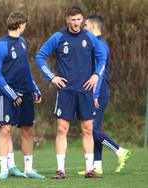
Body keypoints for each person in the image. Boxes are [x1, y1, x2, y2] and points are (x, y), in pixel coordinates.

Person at [35, 5, 107, 179]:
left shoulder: (90, 37)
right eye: (72, 19)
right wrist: (52, 77)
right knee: (62, 129)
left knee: (88, 129)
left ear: (82, 20)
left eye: (78, 19)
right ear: (67, 20)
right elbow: (40, 56)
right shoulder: (58, 37)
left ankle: (89, 169)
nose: (76, 23)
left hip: (85, 91)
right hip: (66, 91)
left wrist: (97, 75)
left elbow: (102, 57)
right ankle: (60, 170)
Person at [0, 11, 44, 179]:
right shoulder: (1, 45)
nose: (25, 27)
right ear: (21, 25)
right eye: (25, 25)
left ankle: (29, 169)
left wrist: (34, 88)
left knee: (27, 129)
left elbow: (26, 68)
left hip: (25, 93)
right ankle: (3, 170)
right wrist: (12, 94)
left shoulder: (22, 42)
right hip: (7, 94)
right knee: (5, 130)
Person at [76, 15, 131, 175]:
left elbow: (98, 74)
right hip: (95, 92)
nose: (83, 27)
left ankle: (120, 150)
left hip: (99, 93)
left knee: (92, 130)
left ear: (93, 26)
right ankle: (97, 165)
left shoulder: (100, 45)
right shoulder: (95, 44)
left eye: (85, 24)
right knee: (95, 128)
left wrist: (94, 95)